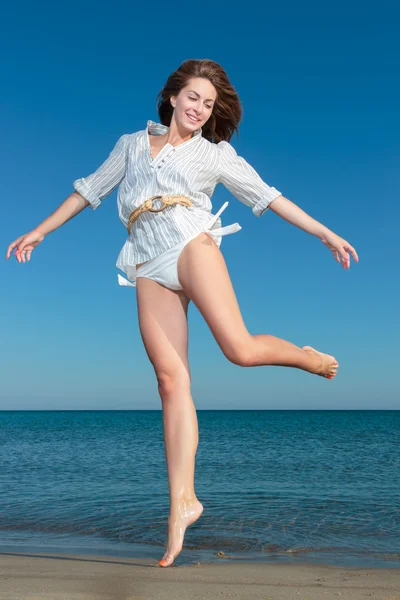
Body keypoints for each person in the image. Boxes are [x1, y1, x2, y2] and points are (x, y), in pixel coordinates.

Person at [6, 59, 358, 568]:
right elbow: (89, 191)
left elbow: (269, 196)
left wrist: (324, 232)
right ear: (172, 97)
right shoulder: (129, 145)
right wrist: (41, 231)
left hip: (191, 240)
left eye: (209, 104)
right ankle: (183, 502)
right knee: (171, 383)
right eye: (193, 97)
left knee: (238, 349)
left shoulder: (214, 154)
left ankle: (303, 357)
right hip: (146, 261)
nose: (199, 108)